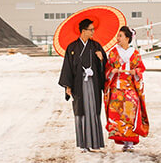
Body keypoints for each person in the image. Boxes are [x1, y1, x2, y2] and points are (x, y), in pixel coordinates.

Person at [58, 17, 108, 152]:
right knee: (81, 112)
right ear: (83, 30)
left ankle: (95, 142)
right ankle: (84, 144)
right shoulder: (72, 47)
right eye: (91, 30)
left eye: (93, 29)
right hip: (78, 84)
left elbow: (105, 65)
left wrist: (102, 59)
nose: (93, 32)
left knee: (93, 111)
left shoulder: (96, 46)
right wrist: (68, 86)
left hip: (93, 83)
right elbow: (67, 67)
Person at [104, 25, 149, 151]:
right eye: (118, 35)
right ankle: (122, 139)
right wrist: (112, 70)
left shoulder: (134, 53)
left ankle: (129, 142)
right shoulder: (113, 52)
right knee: (116, 113)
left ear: (128, 38)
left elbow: (141, 68)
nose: (117, 38)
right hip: (116, 86)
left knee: (130, 113)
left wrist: (136, 72)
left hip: (130, 87)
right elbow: (107, 68)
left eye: (120, 36)